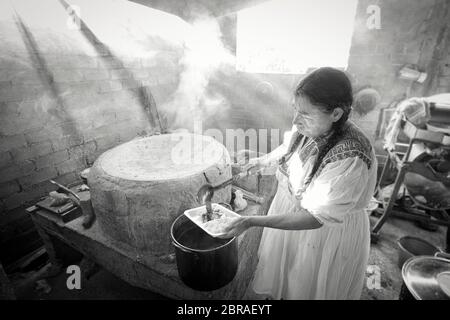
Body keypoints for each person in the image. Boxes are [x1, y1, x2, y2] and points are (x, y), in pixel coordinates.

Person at [221, 67, 378, 299]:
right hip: (291, 217)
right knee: (288, 281)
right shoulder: (314, 125)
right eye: (295, 109)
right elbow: (289, 149)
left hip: (325, 234)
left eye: (304, 113)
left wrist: (251, 221)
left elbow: (316, 217)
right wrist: (259, 161)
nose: (295, 120)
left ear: (336, 113)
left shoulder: (351, 156)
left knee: (309, 288)